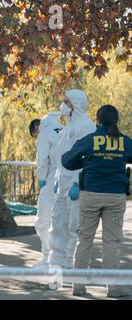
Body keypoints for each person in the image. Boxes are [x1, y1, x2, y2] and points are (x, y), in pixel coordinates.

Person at [62, 105, 132, 298]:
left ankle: (78, 286)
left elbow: (67, 160)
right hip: (116, 196)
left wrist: (86, 163)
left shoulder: (91, 139)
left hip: (90, 194)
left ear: (97, 120)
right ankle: (114, 288)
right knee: (112, 243)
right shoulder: (124, 141)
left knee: (84, 240)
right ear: (116, 121)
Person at [48, 89, 96, 268]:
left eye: (66, 102)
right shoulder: (67, 126)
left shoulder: (86, 126)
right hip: (62, 182)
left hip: (75, 184)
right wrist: (56, 179)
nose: (63, 105)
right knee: (58, 222)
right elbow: (62, 156)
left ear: (75, 105)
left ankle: (72, 263)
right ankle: (57, 261)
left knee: (73, 225)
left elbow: (86, 158)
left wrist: (77, 181)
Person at [29, 113, 62, 267]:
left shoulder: (45, 133)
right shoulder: (63, 129)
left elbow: (42, 160)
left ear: (37, 127)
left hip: (51, 178)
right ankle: (62, 257)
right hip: (66, 178)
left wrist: (42, 178)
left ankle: (48, 257)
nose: (36, 138)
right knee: (62, 220)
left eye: (34, 136)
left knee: (42, 220)